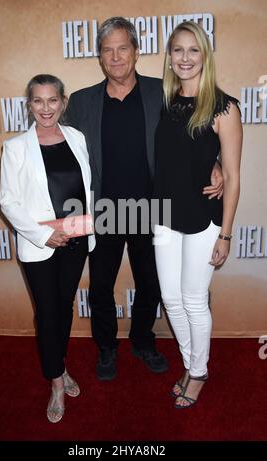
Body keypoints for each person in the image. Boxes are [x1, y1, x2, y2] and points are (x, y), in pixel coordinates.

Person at [66, 17, 223, 381]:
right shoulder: (81, 102)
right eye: (108, 50)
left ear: (136, 53)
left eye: (123, 48)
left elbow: (194, 135)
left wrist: (215, 162)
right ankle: (106, 347)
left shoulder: (162, 93)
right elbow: (66, 155)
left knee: (152, 282)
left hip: (153, 208)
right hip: (103, 209)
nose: (116, 57)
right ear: (100, 58)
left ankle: (142, 342)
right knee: (101, 285)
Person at [153, 21, 243, 408]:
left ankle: (200, 371)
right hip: (163, 214)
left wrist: (225, 233)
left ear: (204, 55)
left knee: (192, 298)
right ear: (170, 58)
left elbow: (234, 177)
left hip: (204, 218)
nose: (185, 58)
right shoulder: (166, 103)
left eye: (193, 50)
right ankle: (191, 364)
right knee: (171, 299)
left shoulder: (225, 106)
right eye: (178, 50)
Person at [0, 74, 95, 423]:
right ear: (29, 105)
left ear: (63, 102)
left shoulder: (77, 138)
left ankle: (60, 365)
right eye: (38, 101)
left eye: (52, 100)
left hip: (76, 240)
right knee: (48, 311)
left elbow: (88, 187)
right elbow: (8, 202)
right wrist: (43, 236)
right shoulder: (15, 147)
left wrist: (90, 225)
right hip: (39, 245)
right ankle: (56, 380)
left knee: (64, 306)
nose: (45, 108)